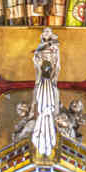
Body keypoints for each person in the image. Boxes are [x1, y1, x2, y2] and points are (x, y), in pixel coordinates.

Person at [32, 27, 61, 158]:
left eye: (48, 32)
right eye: (44, 32)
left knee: (52, 96)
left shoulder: (55, 48)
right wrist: (39, 68)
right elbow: (36, 60)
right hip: (42, 79)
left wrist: (54, 75)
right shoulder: (40, 47)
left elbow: (57, 63)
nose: (46, 34)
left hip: (50, 79)